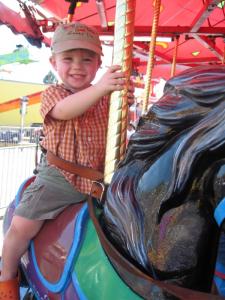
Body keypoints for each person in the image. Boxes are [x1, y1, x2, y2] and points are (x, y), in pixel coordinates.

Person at [0, 22, 134, 299]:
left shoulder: (105, 97)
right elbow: (64, 111)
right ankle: (7, 276)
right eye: (68, 59)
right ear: (53, 63)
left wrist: (123, 101)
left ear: (98, 63)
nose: (77, 66)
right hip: (59, 178)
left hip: (102, 179)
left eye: (87, 59)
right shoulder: (54, 94)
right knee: (21, 227)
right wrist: (102, 89)